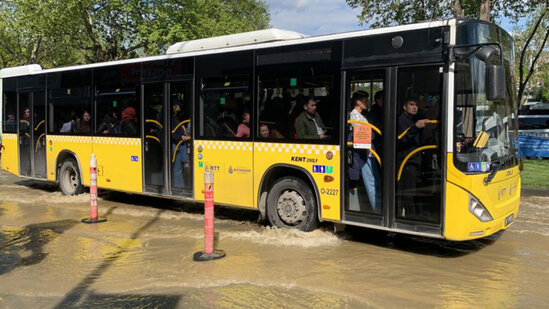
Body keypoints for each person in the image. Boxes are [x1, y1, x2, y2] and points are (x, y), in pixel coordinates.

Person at [347, 91, 382, 213]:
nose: (367, 103)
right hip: (364, 154)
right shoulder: (354, 116)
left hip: (370, 152)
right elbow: (366, 136)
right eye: (365, 100)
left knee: (375, 182)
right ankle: (378, 211)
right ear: (358, 102)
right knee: (371, 183)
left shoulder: (362, 115)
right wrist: (371, 134)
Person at [397, 98, 430, 217]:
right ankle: (409, 218)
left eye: (416, 105)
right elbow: (401, 139)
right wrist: (415, 127)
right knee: (407, 194)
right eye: (411, 105)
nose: (414, 107)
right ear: (404, 107)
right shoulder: (400, 120)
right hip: (406, 161)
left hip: (415, 160)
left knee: (414, 192)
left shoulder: (414, 119)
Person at [171, 100, 190, 188]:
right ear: (174, 106)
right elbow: (173, 133)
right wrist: (181, 137)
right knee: (178, 168)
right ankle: (179, 187)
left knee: (181, 167)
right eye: (178, 105)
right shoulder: (171, 118)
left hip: (180, 143)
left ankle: (181, 185)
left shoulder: (175, 118)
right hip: (176, 144)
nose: (179, 107)